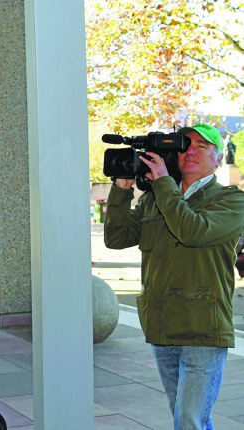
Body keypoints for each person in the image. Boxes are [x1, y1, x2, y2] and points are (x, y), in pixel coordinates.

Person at [104, 123, 244, 430]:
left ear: (219, 159)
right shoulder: (156, 198)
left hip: (201, 329)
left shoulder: (232, 201)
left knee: (190, 420)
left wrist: (164, 184)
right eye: (185, 146)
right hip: (161, 326)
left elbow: (192, 231)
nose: (190, 151)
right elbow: (116, 238)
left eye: (202, 146)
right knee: (186, 418)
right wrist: (122, 189)